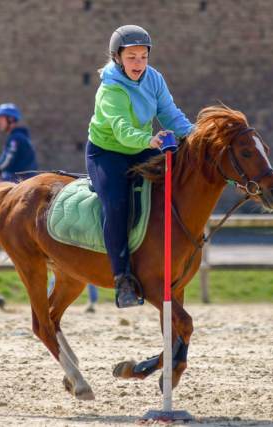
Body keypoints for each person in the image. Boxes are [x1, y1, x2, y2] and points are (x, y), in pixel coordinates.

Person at [86, 25, 195, 308]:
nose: (139, 63)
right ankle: (122, 279)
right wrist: (150, 140)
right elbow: (122, 131)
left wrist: (197, 136)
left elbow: (170, 114)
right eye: (132, 57)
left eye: (144, 56)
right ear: (117, 58)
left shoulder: (154, 78)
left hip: (143, 148)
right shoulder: (110, 89)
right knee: (117, 204)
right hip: (106, 154)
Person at [0, 103, 38, 183]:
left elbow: (7, 160)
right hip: (23, 180)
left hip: (20, 181)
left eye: (1, 118)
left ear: (10, 119)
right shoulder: (20, 137)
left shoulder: (15, 138)